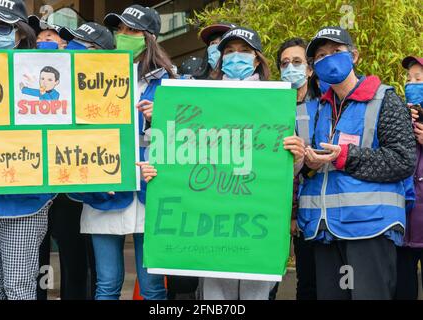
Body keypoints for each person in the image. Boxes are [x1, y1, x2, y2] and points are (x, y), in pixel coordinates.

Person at [138, 26, 305, 300]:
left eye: (244, 51)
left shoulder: (276, 102)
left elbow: (284, 167)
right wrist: (157, 170)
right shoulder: (197, 100)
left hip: (256, 223)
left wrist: (297, 157)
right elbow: (176, 156)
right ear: (220, 58)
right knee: (215, 298)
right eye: (229, 51)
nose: (236, 56)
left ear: (256, 59)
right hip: (212, 227)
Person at [298, 26, 416, 300]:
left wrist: (345, 156)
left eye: (336, 52)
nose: (328, 59)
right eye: (321, 56)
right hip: (325, 230)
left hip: (370, 228)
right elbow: (310, 168)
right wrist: (310, 163)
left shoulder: (384, 99)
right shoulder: (317, 110)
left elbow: (403, 160)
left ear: (354, 56)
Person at [72, 4, 175, 300]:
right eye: (120, 29)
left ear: (150, 37)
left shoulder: (169, 81)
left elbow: (186, 139)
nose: (124, 35)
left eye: (132, 30)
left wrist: (162, 117)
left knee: (153, 287)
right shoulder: (90, 79)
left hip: (151, 190)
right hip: (105, 188)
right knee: (106, 285)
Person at [0, 0, 55, 300]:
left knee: (19, 289)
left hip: (23, 200)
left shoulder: (45, 72)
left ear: (20, 34)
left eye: (3, 26)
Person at [27, 16, 99, 301]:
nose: (43, 40)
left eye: (50, 36)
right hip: (33, 183)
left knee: (72, 256)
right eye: (39, 36)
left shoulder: (77, 76)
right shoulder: (26, 78)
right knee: (35, 258)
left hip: (69, 185)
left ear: (66, 44)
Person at [276, 37, 318, 300]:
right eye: (284, 63)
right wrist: (290, 213)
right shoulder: (272, 107)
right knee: (268, 278)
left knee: (310, 283)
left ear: (309, 69)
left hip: (313, 212)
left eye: (297, 62)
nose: (290, 67)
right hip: (277, 210)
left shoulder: (324, 107)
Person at [395, 56, 423, 300]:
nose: (411, 84)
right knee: (402, 289)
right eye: (409, 79)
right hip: (403, 221)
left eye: (418, 79)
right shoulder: (399, 115)